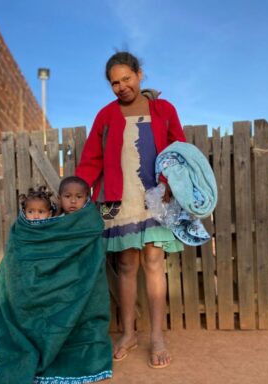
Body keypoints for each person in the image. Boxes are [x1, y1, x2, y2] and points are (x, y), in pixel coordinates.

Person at [76, 51, 186, 369]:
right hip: (117, 199)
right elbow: (91, 160)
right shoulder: (105, 116)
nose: (121, 86)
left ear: (139, 74)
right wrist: (78, 192)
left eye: (126, 78)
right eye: (115, 83)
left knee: (154, 261)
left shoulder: (164, 110)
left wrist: (168, 184)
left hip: (156, 196)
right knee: (125, 265)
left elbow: (178, 151)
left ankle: (157, 337)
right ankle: (128, 333)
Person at [0, 180, 112, 384]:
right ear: (60, 199)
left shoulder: (88, 223)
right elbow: (18, 258)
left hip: (77, 284)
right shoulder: (33, 229)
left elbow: (89, 258)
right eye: (67, 196)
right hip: (38, 287)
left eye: (79, 197)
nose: (73, 201)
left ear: (87, 198)